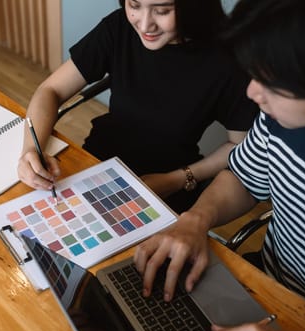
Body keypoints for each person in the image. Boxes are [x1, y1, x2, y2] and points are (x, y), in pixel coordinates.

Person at [134, 0, 305, 331]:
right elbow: (243, 179)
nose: (251, 92)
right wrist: (195, 220)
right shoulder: (283, 117)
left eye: (271, 83)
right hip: (263, 288)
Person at [17, 0, 258, 213]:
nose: (144, 25)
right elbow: (51, 90)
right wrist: (30, 150)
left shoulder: (228, 59)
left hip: (165, 184)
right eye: (134, 5)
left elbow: (240, 145)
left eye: (162, 10)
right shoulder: (120, 26)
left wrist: (175, 179)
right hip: (98, 161)